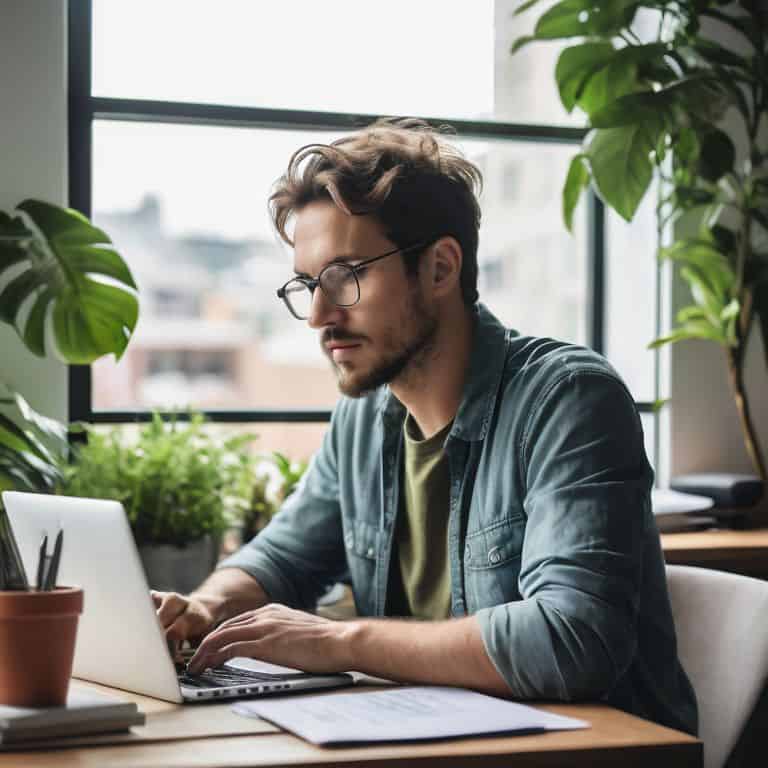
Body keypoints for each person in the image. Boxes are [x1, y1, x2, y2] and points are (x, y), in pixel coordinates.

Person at [153, 118, 697, 734]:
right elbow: (284, 557)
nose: (320, 317)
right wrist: (203, 607)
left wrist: (340, 641)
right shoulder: (364, 417)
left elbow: (573, 640)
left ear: (440, 268)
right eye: (309, 285)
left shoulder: (568, 399)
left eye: (346, 277)